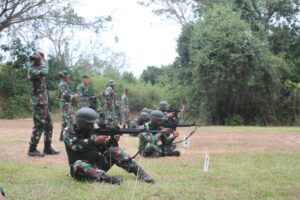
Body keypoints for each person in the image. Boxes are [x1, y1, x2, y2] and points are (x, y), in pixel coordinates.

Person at [63, 107, 154, 184]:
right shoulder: (69, 131)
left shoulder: (92, 132)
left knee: (114, 150)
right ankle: (107, 179)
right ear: (81, 123)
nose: (92, 126)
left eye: (92, 123)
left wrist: (113, 141)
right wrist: (95, 140)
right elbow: (75, 145)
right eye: (90, 124)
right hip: (80, 170)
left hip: (97, 165)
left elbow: (104, 149)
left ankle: (141, 173)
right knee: (79, 164)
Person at [27, 50, 59, 157]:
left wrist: (42, 59)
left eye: (37, 54)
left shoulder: (40, 66)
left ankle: (47, 148)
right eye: (35, 54)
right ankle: (32, 149)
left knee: (49, 124)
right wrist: (43, 60)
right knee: (39, 124)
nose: (35, 55)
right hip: (38, 101)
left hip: (44, 101)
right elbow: (45, 72)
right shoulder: (32, 69)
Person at [58, 70, 79, 141]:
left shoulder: (63, 84)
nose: (68, 78)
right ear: (64, 77)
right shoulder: (63, 84)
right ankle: (69, 136)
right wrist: (73, 96)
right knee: (69, 119)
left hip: (64, 104)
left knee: (64, 121)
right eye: (67, 76)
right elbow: (65, 95)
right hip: (65, 104)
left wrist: (72, 95)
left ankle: (62, 137)